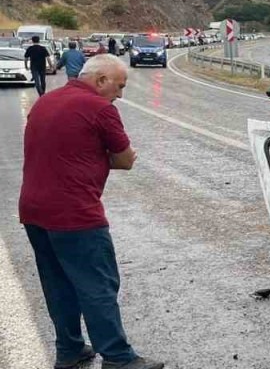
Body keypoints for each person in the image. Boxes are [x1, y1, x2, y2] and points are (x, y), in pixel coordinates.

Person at [19, 54, 164, 369]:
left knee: (57, 283)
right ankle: (117, 357)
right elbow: (125, 159)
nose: (120, 95)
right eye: (119, 87)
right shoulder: (101, 109)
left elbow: (55, 150)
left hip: (33, 210)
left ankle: (69, 350)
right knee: (98, 284)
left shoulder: (45, 101)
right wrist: (106, 157)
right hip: (75, 214)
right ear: (101, 81)